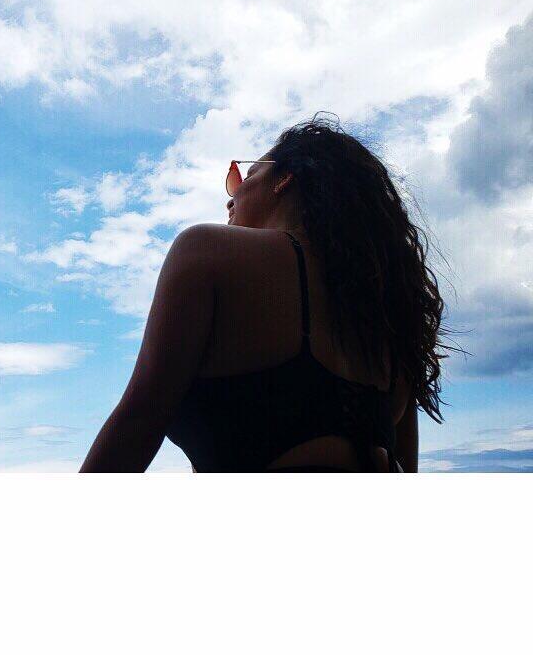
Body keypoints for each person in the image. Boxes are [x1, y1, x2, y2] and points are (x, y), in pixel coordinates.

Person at [81, 114, 453, 472]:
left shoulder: (207, 251)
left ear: (284, 179)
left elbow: (139, 420)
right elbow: (406, 467)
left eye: (243, 178)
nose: (230, 199)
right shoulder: (389, 317)